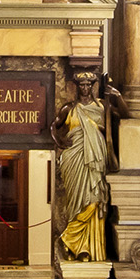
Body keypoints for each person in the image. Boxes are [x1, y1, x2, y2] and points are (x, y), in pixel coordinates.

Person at [56, 66, 124, 260]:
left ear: (93, 86)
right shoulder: (70, 108)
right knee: (76, 201)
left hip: (96, 158)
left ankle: (70, 239)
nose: (85, 88)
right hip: (75, 158)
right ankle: (80, 248)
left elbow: (124, 114)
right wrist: (60, 141)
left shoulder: (102, 106)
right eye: (82, 85)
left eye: (88, 85)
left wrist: (118, 97)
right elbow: (54, 126)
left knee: (94, 201)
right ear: (77, 87)